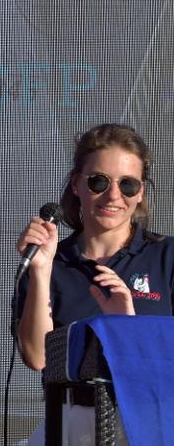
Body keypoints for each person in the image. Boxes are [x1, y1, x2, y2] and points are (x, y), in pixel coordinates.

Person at [16, 123, 172, 442]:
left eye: (128, 185)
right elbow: (36, 358)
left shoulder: (167, 257)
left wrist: (126, 330)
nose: (113, 196)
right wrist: (41, 270)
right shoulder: (49, 261)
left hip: (148, 421)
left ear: (141, 191)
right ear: (76, 184)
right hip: (68, 420)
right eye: (99, 181)